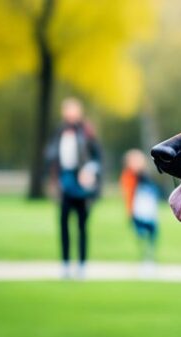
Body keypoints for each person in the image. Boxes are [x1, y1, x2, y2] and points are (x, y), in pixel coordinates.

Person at [46, 97, 101, 279]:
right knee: (63, 224)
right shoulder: (59, 131)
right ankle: (65, 264)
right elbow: (52, 156)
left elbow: (97, 157)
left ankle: (82, 265)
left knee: (82, 225)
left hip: (82, 184)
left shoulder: (86, 132)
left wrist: (89, 172)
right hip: (65, 182)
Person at [120, 149, 162, 274]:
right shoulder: (129, 177)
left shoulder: (146, 175)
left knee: (152, 235)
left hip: (149, 211)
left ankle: (150, 259)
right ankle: (144, 259)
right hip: (137, 211)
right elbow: (128, 194)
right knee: (141, 235)